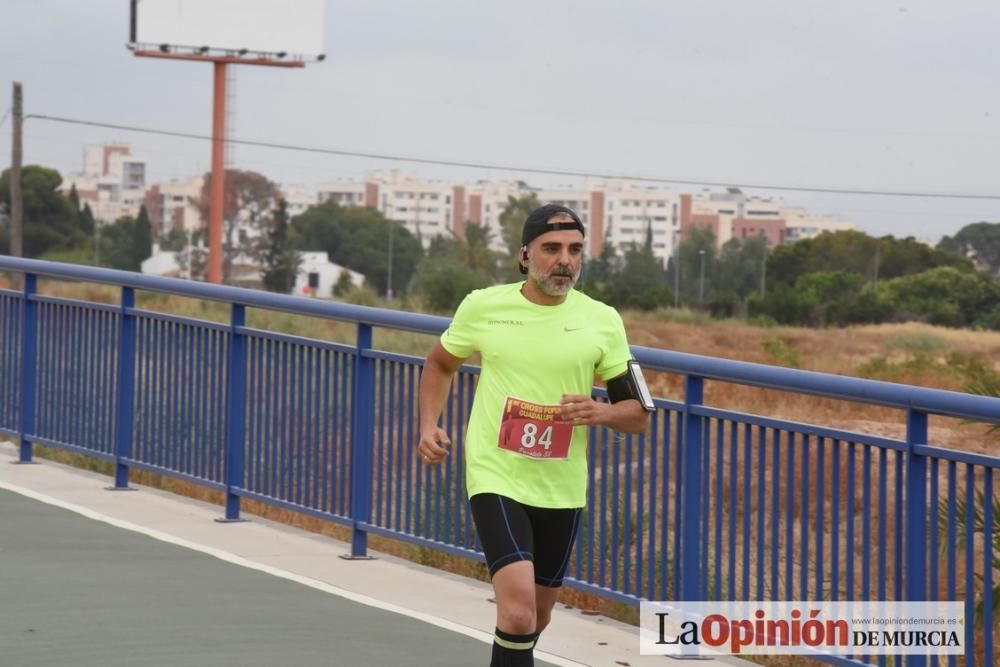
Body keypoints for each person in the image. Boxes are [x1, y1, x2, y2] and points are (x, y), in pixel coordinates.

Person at [417, 203, 652, 666]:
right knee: (519, 611)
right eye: (551, 249)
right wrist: (429, 423)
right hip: (495, 472)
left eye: (575, 250)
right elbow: (440, 362)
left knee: (537, 616)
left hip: (561, 486)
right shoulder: (484, 306)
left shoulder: (602, 319)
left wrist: (600, 412)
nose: (564, 259)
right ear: (525, 255)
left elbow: (638, 415)